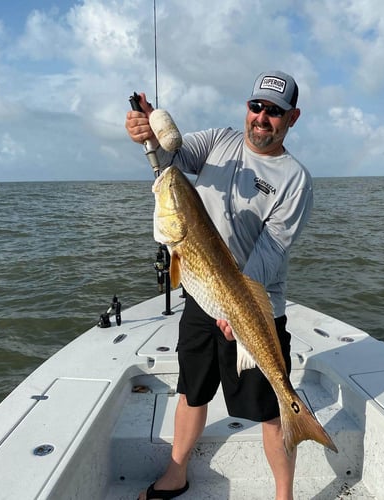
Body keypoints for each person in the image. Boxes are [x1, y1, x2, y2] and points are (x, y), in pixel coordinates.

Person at [126, 70, 313, 500]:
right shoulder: (217, 141)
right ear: (246, 108)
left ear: (292, 118)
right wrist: (149, 132)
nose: (262, 118)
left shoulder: (295, 179)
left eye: (274, 112)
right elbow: (172, 162)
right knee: (192, 391)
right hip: (201, 295)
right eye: (256, 107)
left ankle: (284, 494)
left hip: (254, 307)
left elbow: (271, 253)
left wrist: (236, 308)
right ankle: (176, 473)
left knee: (270, 410)